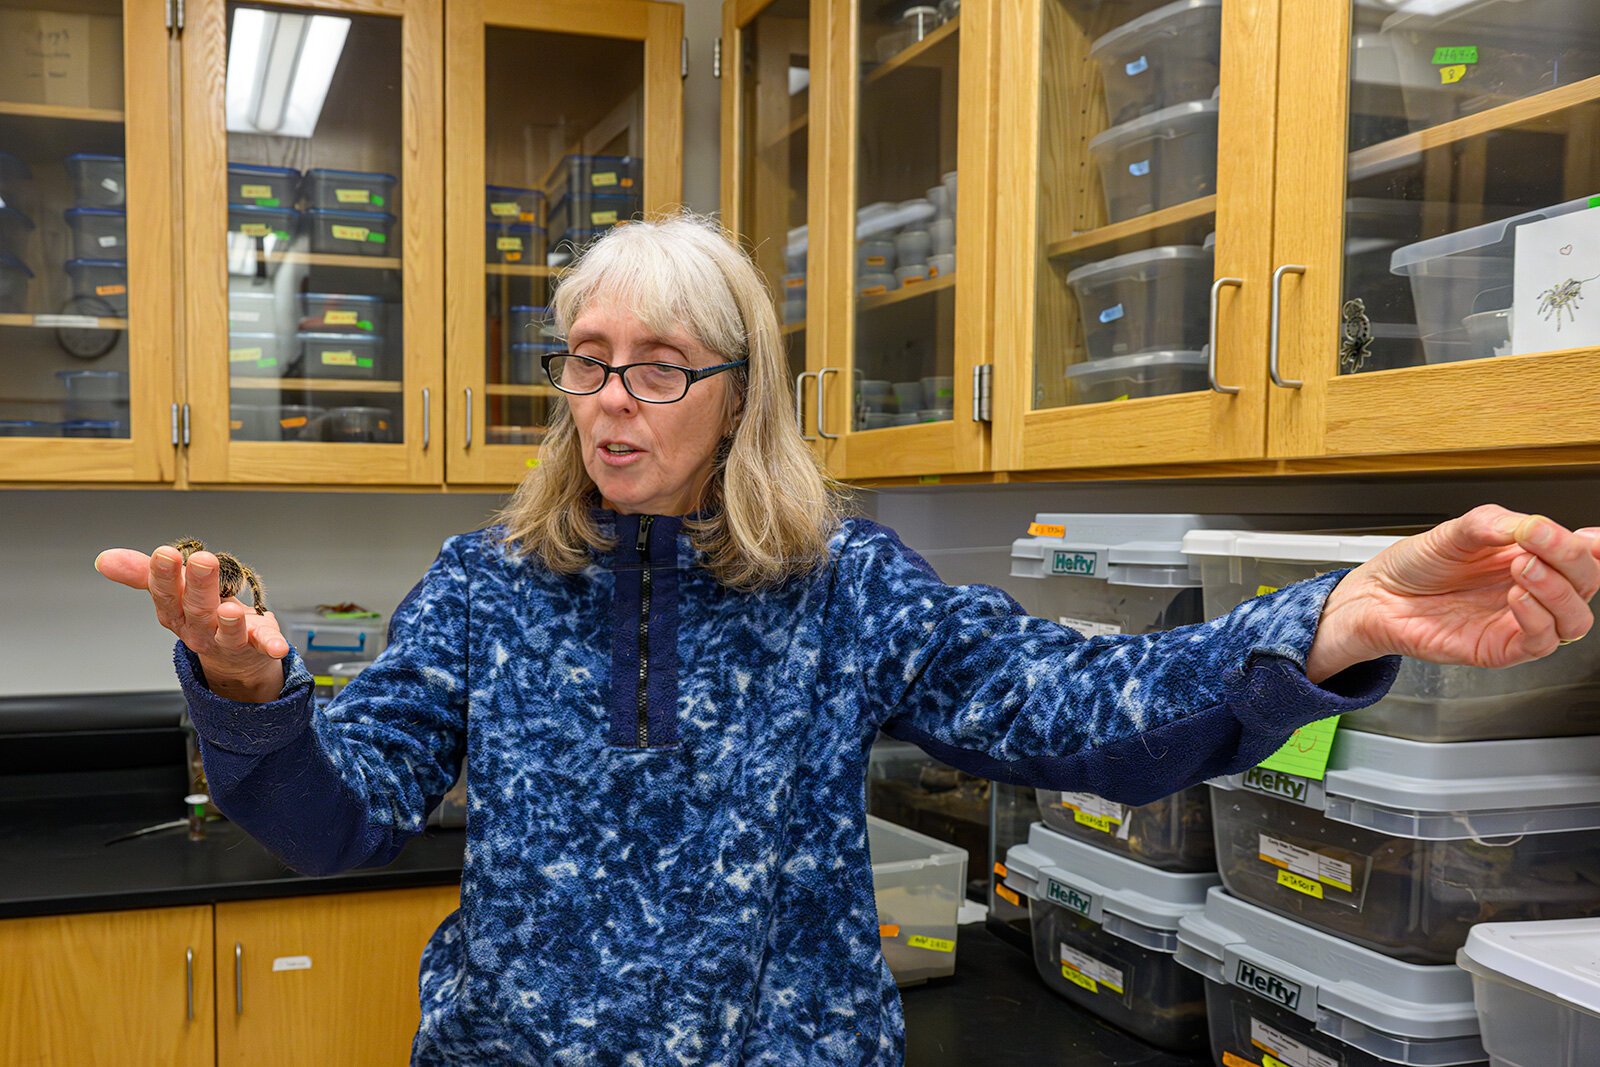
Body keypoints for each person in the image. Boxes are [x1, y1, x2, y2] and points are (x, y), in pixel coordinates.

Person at [96, 214, 1600, 1066]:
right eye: (587, 364)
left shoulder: (839, 583)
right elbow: (333, 815)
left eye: (659, 369)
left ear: (741, 393)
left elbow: (1079, 706)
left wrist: (1326, 623)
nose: (611, 400)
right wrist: (252, 692)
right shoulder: (485, 582)